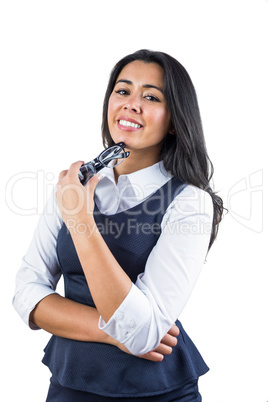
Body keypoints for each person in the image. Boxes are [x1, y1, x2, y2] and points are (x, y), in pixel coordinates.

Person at [13, 49, 224, 401]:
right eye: (123, 91)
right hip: (69, 386)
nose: (131, 104)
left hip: (157, 391)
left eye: (151, 96)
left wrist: (80, 221)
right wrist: (111, 332)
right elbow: (27, 296)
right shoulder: (74, 185)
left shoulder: (189, 202)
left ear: (174, 120)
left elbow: (142, 335)